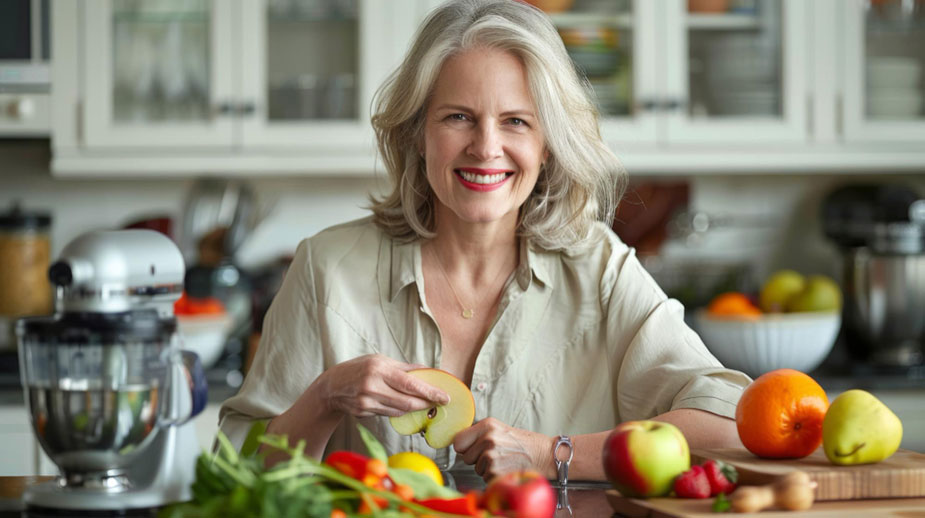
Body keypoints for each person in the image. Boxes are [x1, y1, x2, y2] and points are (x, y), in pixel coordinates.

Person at [218, 0, 751, 482]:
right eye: (458, 117)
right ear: (417, 134)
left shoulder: (599, 268)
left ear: (548, 147)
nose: (486, 147)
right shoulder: (326, 268)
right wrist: (325, 397)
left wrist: (551, 454)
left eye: (516, 122)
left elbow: (729, 422)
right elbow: (235, 473)